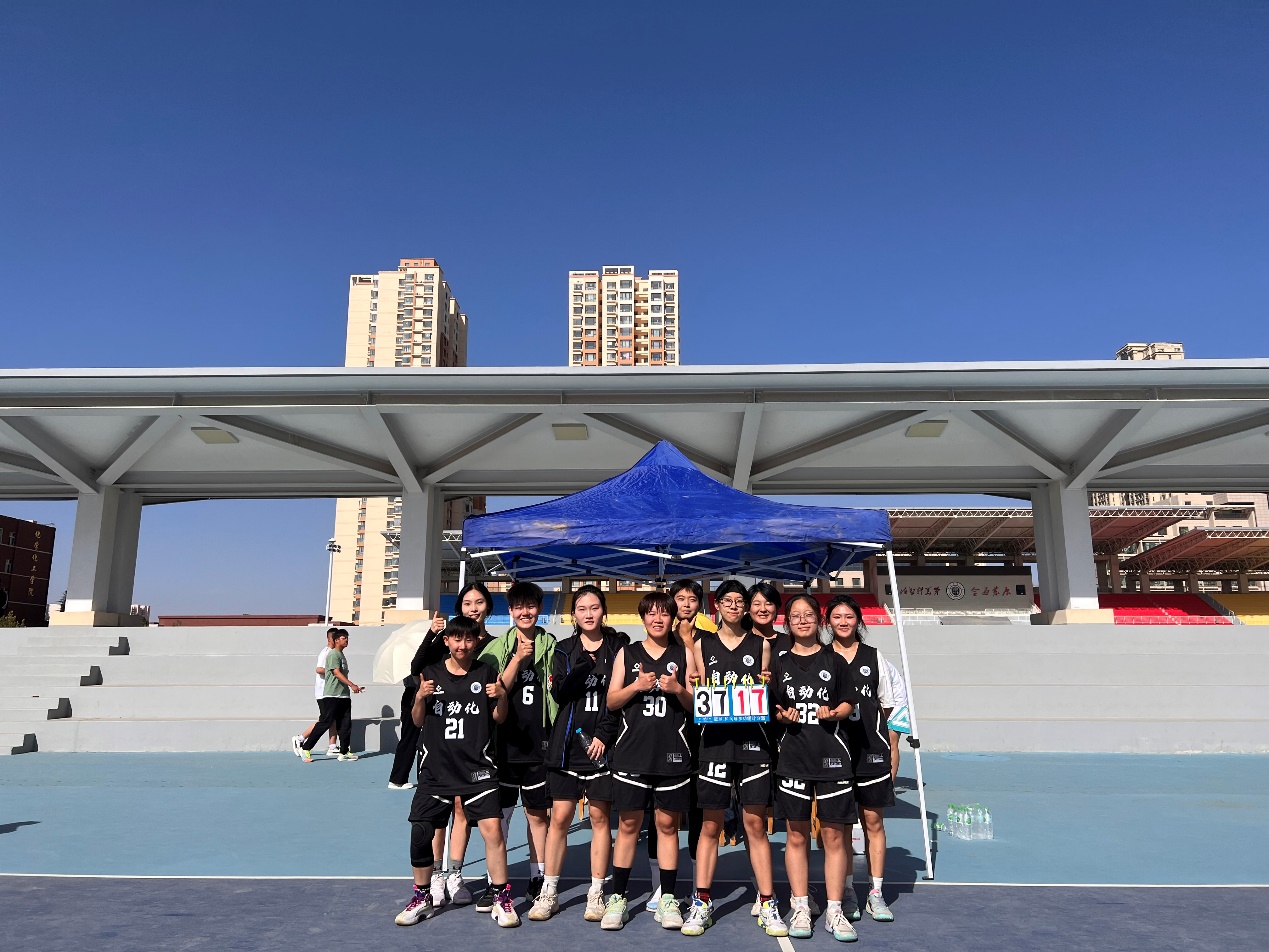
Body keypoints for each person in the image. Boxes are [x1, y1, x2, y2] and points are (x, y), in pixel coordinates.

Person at [394, 616, 520, 928]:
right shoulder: (431, 674)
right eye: (457, 639)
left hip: (478, 768)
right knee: (421, 832)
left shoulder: (486, 672)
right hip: (436, 769)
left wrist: (502, 696)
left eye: (469, 639)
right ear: (447, 641)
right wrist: (419, 697)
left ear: (476, 642)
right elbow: (418, 720)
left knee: (493, 831)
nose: (462, 645)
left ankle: (501, 897)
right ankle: (422, 896)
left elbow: (499, 718)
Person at [683, 580, 787, 938]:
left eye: (739, 600)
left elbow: (768, 692)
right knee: (710, 826)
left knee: (755, 825)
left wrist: (768, 685)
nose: (733, 605)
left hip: (753, 743)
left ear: (745, 607)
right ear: (717, 605)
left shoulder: (761, 645)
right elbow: (696, 690)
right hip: (713, 744)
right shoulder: (701, 644)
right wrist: (694, 683)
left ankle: (768, 901)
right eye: (726, 600)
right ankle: (701, 901)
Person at [391, 582, 497, 910]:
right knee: (437, 816)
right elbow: (417, 669)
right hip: (440, 745)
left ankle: (455, 874)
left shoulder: (492, 648)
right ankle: (436, 875)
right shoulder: (446, 640)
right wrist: (432, 633)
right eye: (467, 603)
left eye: (479, 602)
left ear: (488, 607)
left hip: (474, 746)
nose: (473, 608)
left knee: (463, 810)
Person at [529, 584, 627, 922]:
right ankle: (549, 891)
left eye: (594, 607)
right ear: (573, 615)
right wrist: (583, 666)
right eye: (582, 608)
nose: (589, 614)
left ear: (604, 611)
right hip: (568, 746)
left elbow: (619, 699)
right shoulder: (564, 649)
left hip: (604, 747)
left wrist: (603, 735)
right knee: (559, 818)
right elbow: (560, 693)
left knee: (600, 819)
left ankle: (596, 892)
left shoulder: (618, 647)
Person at [601, 591, 698, 932]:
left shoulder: (684, 654)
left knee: (667, 827)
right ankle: (618, 897)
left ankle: (668, 898)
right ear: (642, 618)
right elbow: (612, 701)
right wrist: (636, 686)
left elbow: (696, 706)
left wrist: (678, 690)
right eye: (651, 614)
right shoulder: (627, 653)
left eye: (664, 614)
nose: (658, 619)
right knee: (628, 826)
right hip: (632, 753)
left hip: (673, 754)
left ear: (673, 618)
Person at [772, 594, 859, 942]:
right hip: (793, 758)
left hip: (832, 758)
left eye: (808, 614)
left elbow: (848, 702)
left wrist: (834, 712)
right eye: (795, 616)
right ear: (788, 622)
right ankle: (800, 906)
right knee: (796, 835)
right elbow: (773, 707)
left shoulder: (834, 660)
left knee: (833, 836)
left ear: (818, 620)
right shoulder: (779, 662)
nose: (802, 620)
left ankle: (835, 910)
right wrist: (783, 715)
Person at [478, 580, 557, 907]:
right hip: (503, 745)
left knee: (538, 816)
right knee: (500, 818)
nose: (525, 612)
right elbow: (493, 691)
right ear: (510, 611)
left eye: (531, 606)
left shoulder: (551, 646)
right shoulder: (496, 650)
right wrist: (517, 659)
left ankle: (538, 876)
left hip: (539, 745)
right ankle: (495, 881)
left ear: (540, 609)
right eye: (519, 607)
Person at [827, 593, 897, 924]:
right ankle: (847, 891)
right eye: (837, 616)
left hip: (870, 752)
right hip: (834, 753)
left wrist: (881, 739)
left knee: (873, 821)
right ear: (828, 621)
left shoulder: (873, 656)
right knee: (841, 825)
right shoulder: (822, 656)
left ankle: (876, 892)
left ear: (858, 620)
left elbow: (887, 704)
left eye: (849, 616)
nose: (843, 622)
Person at [299, 628, 364, 762]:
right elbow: (336, 673)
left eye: (347, 638)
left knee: (345, 725)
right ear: (336, 640)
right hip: (332, 695)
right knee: (325, 722)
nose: (346, 640)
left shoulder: (341, 655)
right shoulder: (333, 654)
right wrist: (352, 685)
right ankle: (306, 748)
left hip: (344, 696)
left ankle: (344, 752)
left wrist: (352, 688)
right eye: (343, 638)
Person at [292, 627, 339, 757]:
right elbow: (319, 669)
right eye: (335, 638)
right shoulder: (326, 653)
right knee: (325, 721)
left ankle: (332, 746)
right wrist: (335, 671)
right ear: (329, 639)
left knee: (332, 719)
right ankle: (300, 738)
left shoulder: (334, 653)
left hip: (330, 692)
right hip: (323, 692)